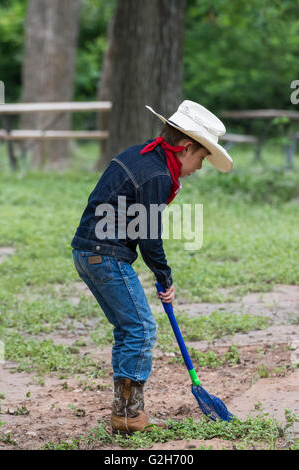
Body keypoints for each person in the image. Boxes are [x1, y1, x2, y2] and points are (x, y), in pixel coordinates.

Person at [71, 100, 233, 434]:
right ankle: (129, 416)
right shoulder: (157, 173)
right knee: (142, 330)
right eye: (202, 158)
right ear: (186, 147)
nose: (200, 167)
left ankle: (124, 412)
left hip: (88, 252)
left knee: (129, 330)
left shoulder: (142, 154)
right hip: (105, 254)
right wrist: (164, 277)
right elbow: (150, 236)